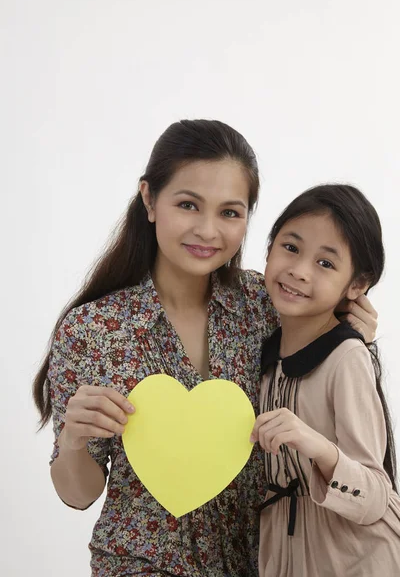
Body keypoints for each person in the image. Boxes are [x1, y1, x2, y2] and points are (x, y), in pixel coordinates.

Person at [33, 121, 377, 577]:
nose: (208, 230)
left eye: (230, 213)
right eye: (188, 204)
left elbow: (333, 392)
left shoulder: (265, 305)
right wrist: (72, 442)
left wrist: (353, 333)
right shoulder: (94, 328)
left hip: (263, 563)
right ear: (150, 200)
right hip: (140, 565)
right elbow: (78, 495)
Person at [251, 184, 400, 577]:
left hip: (354, 556)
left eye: (326, 264)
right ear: (268, 250)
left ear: (356, 285)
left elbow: (375, 497)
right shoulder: (259, 352)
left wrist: (315, 444)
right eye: (291, 248)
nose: (299, 271)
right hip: (282, 549)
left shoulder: (347, 358)